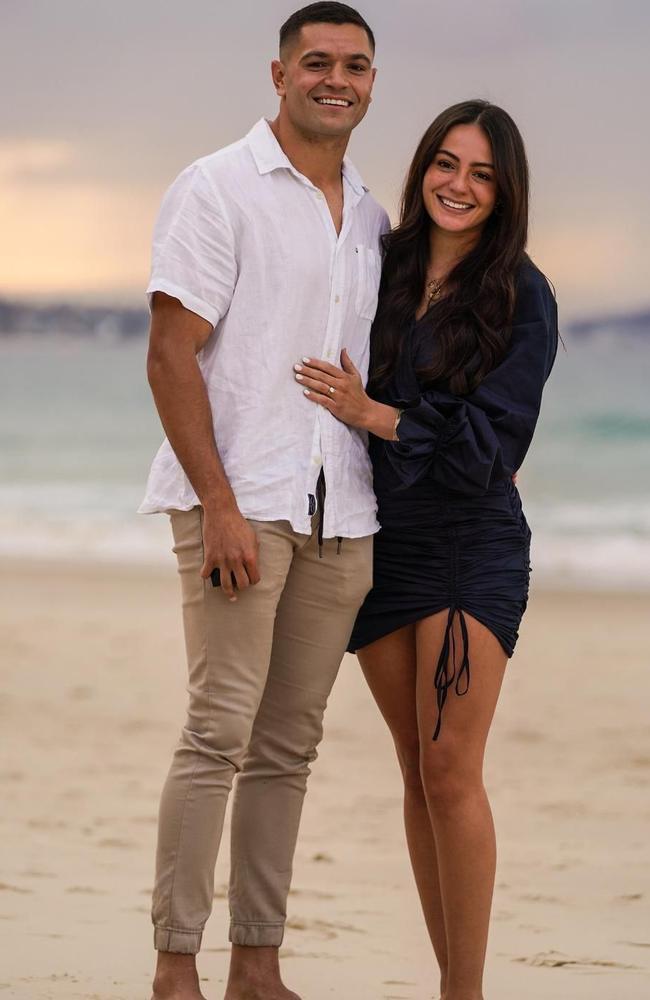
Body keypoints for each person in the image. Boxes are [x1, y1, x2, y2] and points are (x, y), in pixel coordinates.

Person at [139, 4, 388, 999]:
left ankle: (257, 965)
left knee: (288, 745)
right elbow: (170, 353)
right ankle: (173, 966)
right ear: (278, 75)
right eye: (317, 62)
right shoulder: (217, 187)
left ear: (372, 81)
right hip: (239, 504)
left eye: (356, 65)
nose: (338, 78)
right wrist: (220, 501)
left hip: (341, 515)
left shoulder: (369, 211)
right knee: (218, 730)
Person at [295, 99, 558, 1000]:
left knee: (453, 770)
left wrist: (374, 413)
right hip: (381, 543)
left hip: (469, 544)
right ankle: (453, 978)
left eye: (482, 173)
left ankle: (465, 994)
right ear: (423, 168)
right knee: (417, 773)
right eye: (447, 163)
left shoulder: (523, 293)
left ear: (504, 190)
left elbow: (492, 446)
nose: (458, 184)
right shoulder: (382, 263)